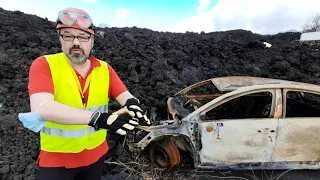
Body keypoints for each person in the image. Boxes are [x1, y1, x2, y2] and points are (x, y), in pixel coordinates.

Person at [23, 7, 151, 180]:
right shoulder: (44, 65)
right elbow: (42, 107)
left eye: (83, 37)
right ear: (60, 39)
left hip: (96, 156)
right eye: (68, 35)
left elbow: (125, 95)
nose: (76, 42)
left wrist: (132, 104)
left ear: (92, 40)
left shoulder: (105, 69)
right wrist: (98, 118)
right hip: (57, 159)